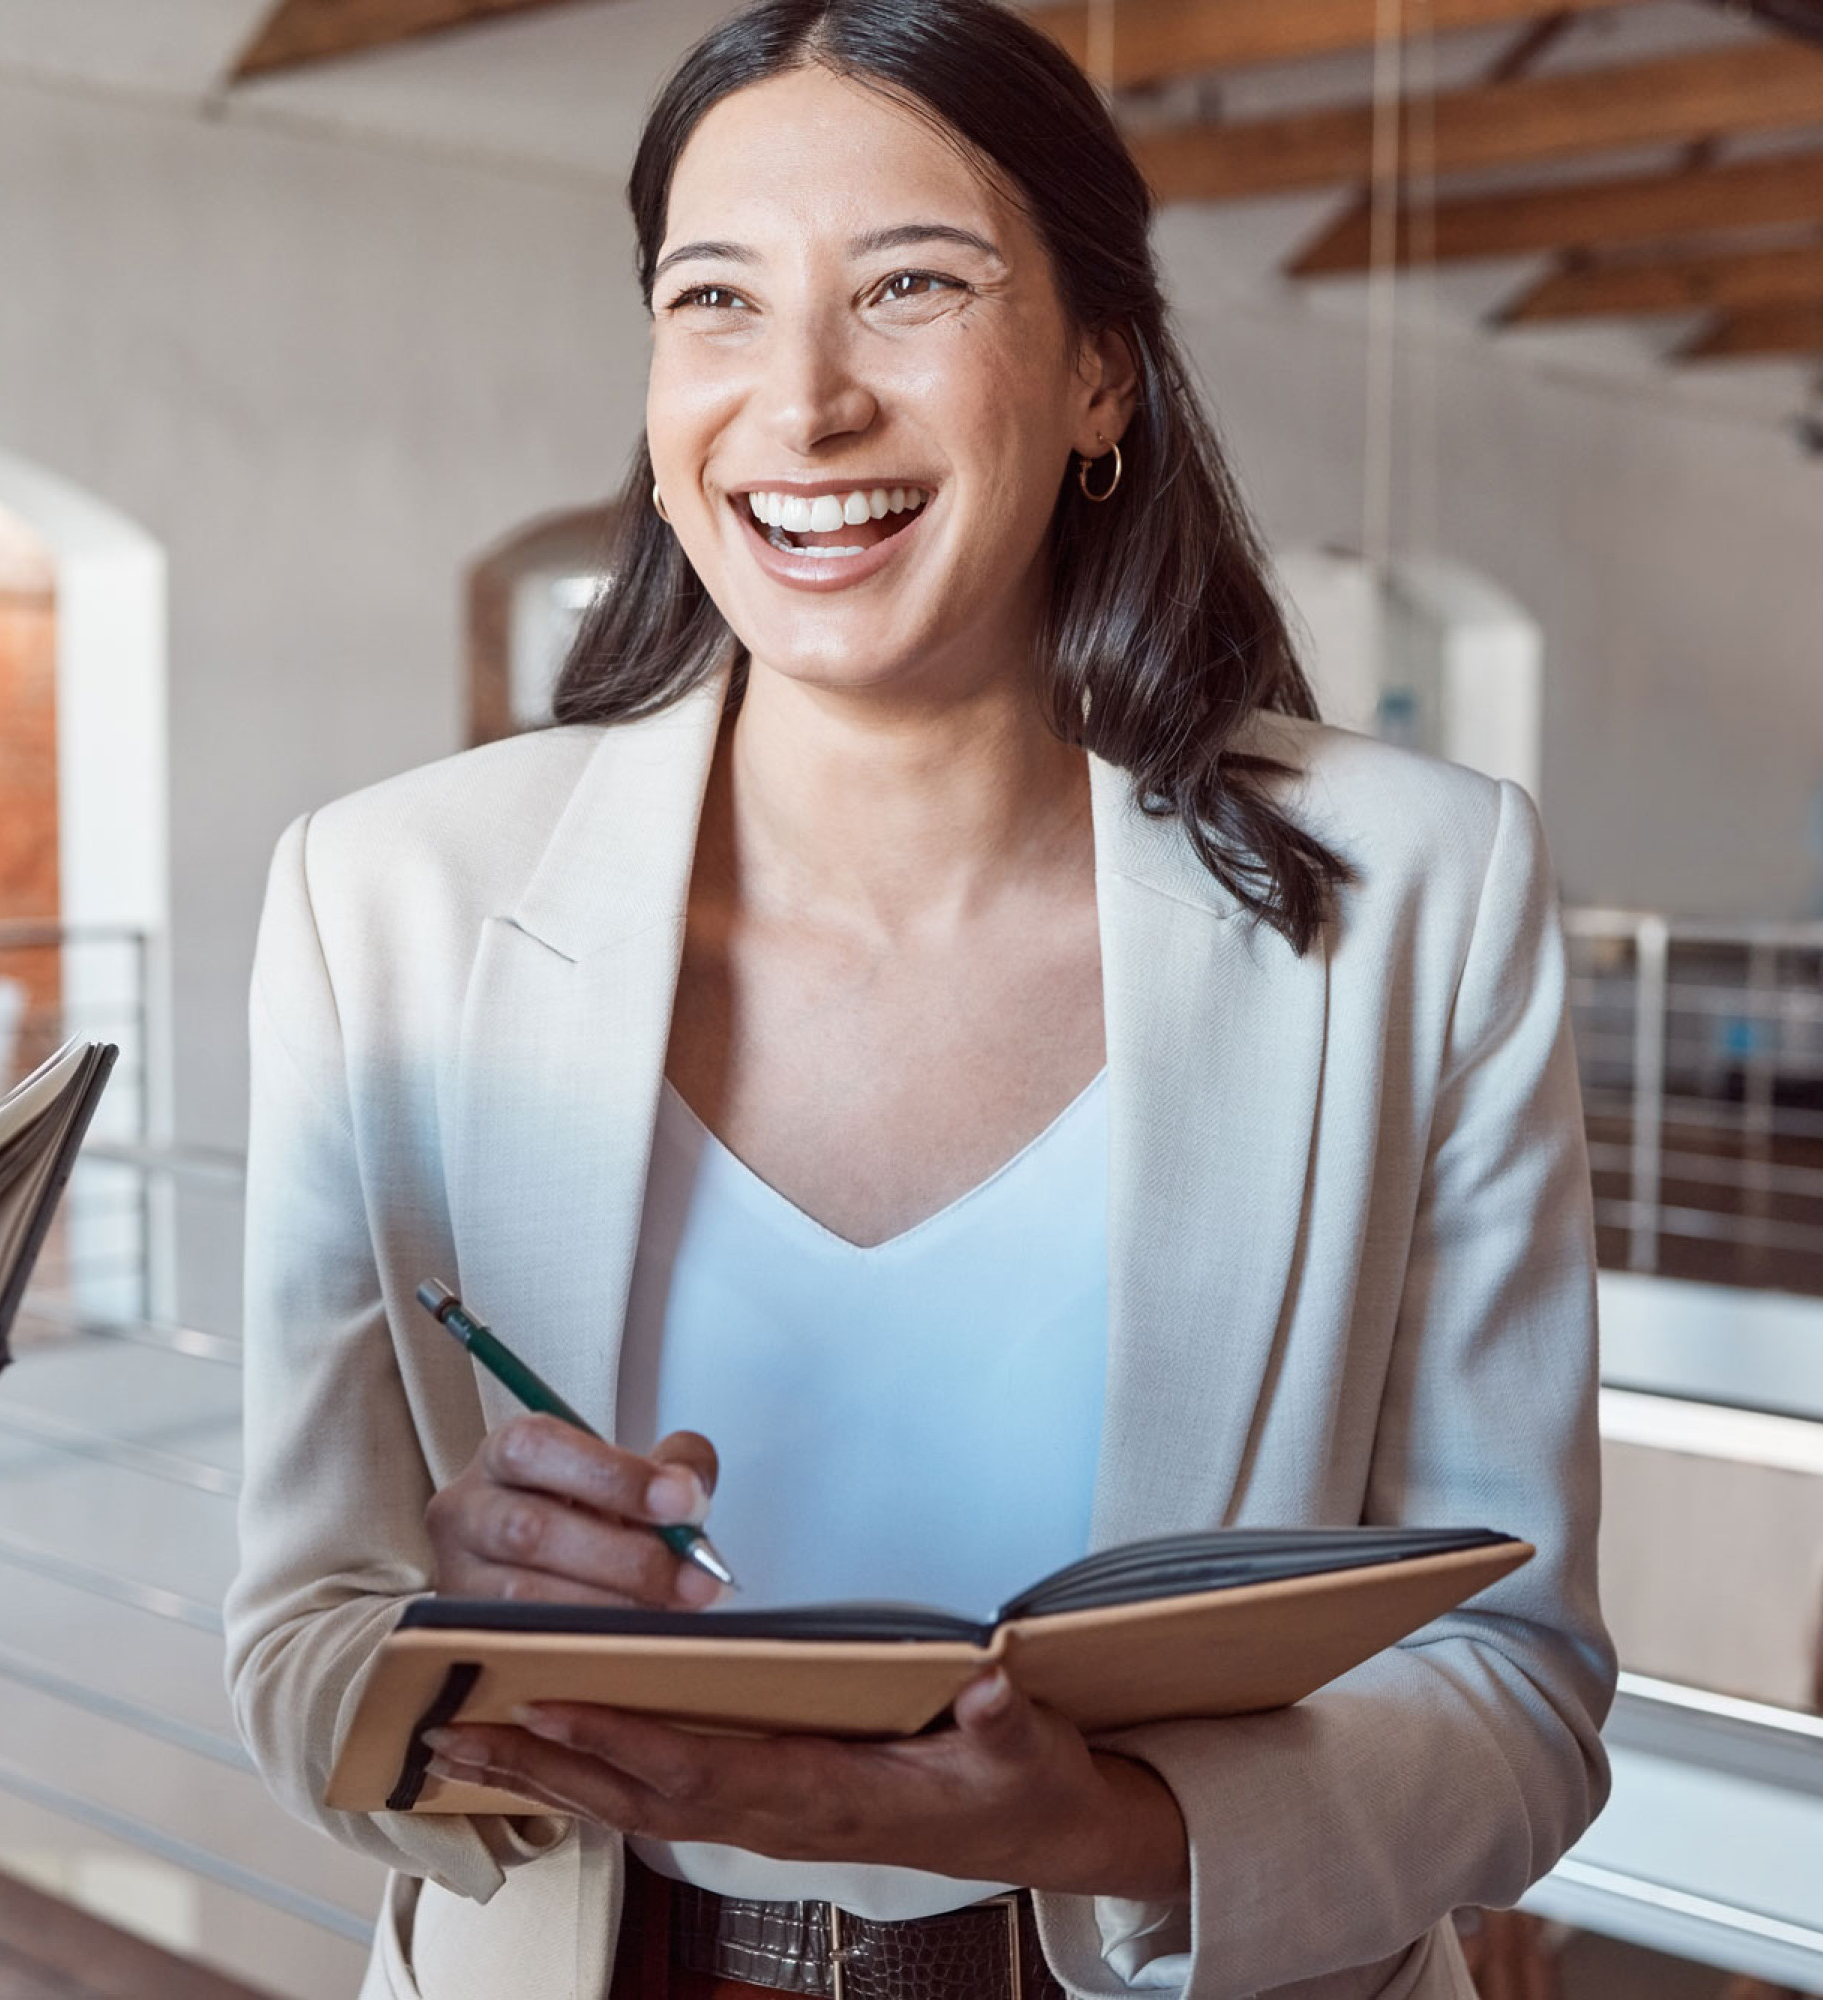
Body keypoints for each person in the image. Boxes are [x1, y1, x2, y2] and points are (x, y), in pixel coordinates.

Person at [225, 3, 1614, 1996]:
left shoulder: (1423, 894)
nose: (799, 404)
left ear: (1097, 371)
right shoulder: (386, 900)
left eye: (910, 289)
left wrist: (1105, 1826)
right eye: (716, 299)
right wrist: (449, 1671)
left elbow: (1520, 1681)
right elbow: (297, 1646)